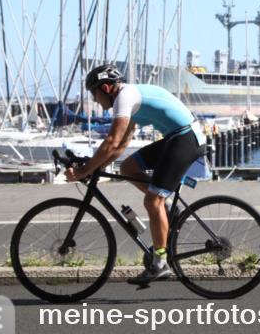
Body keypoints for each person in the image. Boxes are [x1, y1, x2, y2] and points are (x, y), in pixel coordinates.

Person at [67, 64, 207, 286]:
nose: (94, 100)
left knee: (152, 200)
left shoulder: (125, 97)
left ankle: (160, 263)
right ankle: (168, 206)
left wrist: (85, 170)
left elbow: (112, 141)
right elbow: (120, 146)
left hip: (185, 139)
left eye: (94, 94)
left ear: (105, 88)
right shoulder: (128, 97)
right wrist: (98, 168)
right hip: (176, 138)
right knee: (128, 168)